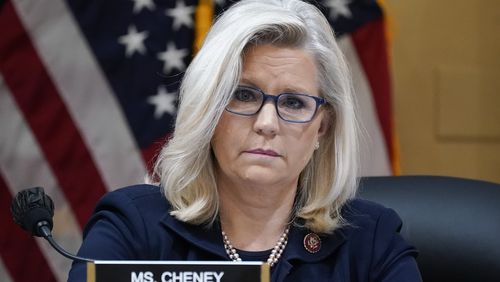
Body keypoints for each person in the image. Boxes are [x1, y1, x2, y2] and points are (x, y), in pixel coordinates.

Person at [68, 0, 422, 281]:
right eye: (244, 96)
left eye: (294, 102)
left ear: (322, 128)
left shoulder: (371, 239)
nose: (267, 123)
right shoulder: (132, 226)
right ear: (209, 110)